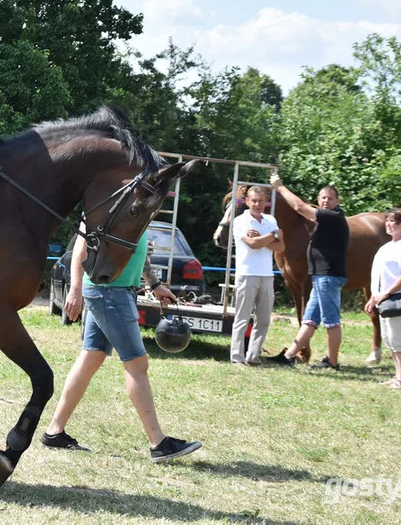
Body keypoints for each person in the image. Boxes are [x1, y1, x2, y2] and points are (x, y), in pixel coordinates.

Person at [40, 222, 202, 463]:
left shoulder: (135, 206)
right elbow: (80, 250)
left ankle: (54, 431)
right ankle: (158, 443)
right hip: (109, 292)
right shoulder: (103, 202)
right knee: (137, 363)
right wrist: (74, 288)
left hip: (116, 291)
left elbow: (136, 251)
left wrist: (154, 284)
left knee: (91, 357)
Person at [267, 176, 350, 370]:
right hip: (321, 277)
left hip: (328, 277)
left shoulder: (333, 217)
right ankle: (289, 356)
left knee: (331, 322)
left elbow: (300, 208)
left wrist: (279, 187)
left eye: (330, 198)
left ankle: (332, 362)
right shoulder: (327, 218)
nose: (325, 201)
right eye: (322, 198)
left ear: (337, 201)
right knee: (310, 320)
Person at [230, 187, 284, 365]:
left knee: (264, 319)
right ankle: (237, 357)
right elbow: (252, 244)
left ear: (266, 202)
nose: (258, 204)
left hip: (267, 275)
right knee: (242, 318)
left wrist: (264, 238)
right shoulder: (240, 221)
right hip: (247, 274)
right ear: (247, 202)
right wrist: (273, 236)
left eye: (261, 201)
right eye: (254, 200)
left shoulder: (270, 220)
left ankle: (253, 355)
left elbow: (281, 247)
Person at [365, 208, 401, 390]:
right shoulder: (386, 247)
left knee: (397, 339)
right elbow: (380, 276)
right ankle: (397, 376)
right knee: (389, 339)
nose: (389, 224)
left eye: (393, 221)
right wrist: (373, 298)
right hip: (383, 298)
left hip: (397, 297)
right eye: (387, 220)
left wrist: (386, 293)